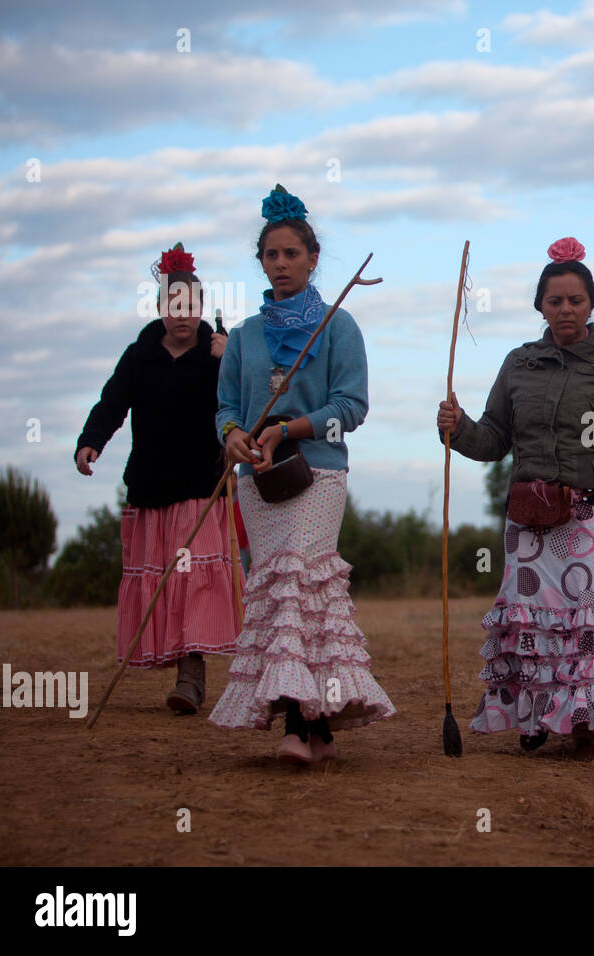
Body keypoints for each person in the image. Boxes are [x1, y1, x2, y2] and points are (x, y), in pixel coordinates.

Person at [437, 237, 594, 759]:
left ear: (591, 304)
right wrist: (458, 428)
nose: (565, 309)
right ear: (539, 306)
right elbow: (495, 439)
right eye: (554, 301)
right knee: (535, 624)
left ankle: (587, 720)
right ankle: (537, 715)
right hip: (530, 522)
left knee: (588, 625)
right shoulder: (519, 364)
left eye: (575, 300)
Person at [208, 185, 395, 764]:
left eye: (292, 254)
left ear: (313, 259)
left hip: (317, 474)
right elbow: (224, 409)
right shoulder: (242, 337)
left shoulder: (339, 327)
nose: (281, 263)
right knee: (283, 592)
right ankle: (319, 728)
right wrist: (233, 435)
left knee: (297, 581)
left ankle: (295, 724)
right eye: (271, 255)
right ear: (260, 262)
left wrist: (289, 429)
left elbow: (352, 409)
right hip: (257, 484)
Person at [75, 244, 241, 713]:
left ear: (202, 309)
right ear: (159, 309)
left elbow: (245, 404)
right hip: (150, 488)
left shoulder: (217, 355)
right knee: (165, 581)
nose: (183, 315)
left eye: (191, 307)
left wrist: (230, 361)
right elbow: (112, 402)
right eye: (174, 306)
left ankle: (191, 676)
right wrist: (91, 440)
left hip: (200, 490)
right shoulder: (140, 354)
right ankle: (173, 662)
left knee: (194, 581)